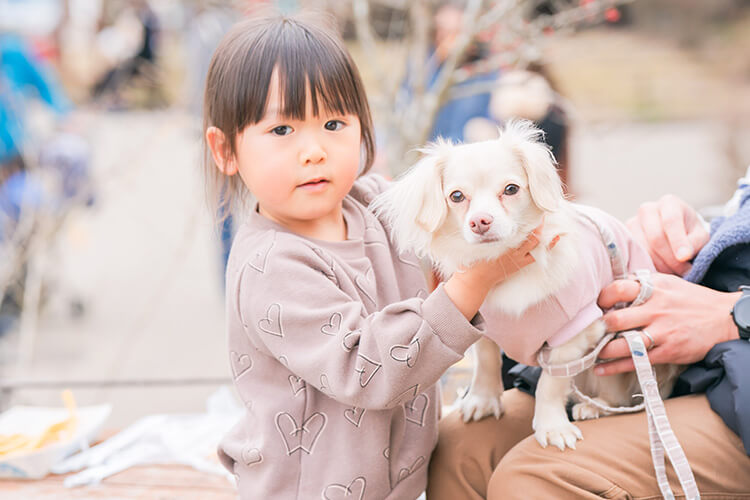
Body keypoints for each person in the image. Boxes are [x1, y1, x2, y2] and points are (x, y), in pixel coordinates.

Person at [200, 12, 546, 499]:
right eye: (282, 130)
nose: (314, 150)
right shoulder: (271, 264)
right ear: (226, 151)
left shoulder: (377, 206)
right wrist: (472, 284)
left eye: (334, 122)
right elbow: (370, 369)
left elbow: (456, 214)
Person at [427, 173, 750, 499]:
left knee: (538, 475)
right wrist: (702, 229)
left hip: (736, 371)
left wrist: (735, 313)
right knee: (461, 447)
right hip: (695, 353)